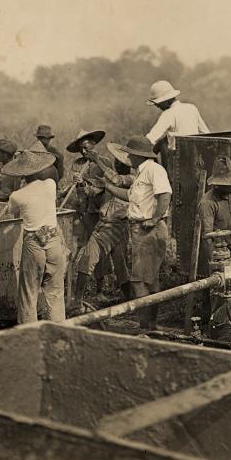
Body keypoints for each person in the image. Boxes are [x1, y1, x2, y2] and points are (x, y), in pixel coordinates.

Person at [105, 136, 172, 330]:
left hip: (147, 230)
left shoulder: (154, 170)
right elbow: (130, 196)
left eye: (130, 155)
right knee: (150, 279)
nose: (128, 158)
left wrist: (154, 219)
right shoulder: (142, 173)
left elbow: (165, 195)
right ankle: (150, 324)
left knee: (139, 281)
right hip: (141, 229)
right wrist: (108, 187)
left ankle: (145, 327)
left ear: (137, 155)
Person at [4, 150, 67, 324]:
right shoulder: (50, 184)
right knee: (55, 292)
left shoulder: (17, 196)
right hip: (54, 241)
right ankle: (59, 330)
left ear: (21, 174)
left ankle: (28, 334)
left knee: (29, 293)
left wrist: (18, 182)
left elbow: (12, 212)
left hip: (33, 244)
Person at [70, 142, 134, 312]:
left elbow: (116, 180)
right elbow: (91, 192)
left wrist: (97, 160)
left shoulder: (132, 179)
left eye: (119, 162)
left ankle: (133, 304)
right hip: (104, 225)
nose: (116, 163)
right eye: (116, 161)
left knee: (120, 266)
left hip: (118, 226)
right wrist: (80, 184)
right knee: (90, 257)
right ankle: (77, 300)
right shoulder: (109, 178)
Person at [64, 129, 108, 247]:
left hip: (100, 212)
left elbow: (105, 185)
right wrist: (73, 182)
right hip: (83, 210)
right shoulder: (77, 164)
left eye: (86, 147)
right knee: (82, 243)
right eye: (80, 149)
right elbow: (69, 187)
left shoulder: (104, 163)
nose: (83, 151)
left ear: (93, 144)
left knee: (100, 245)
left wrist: (84, 183)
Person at [145, 80, 210, 150]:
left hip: (178, 157)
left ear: (166, 100)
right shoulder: (192, 108)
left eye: (158, 102)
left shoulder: (168, 114)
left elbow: (151, 138)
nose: (157, 106)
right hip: (195, 153)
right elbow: (206, 133)